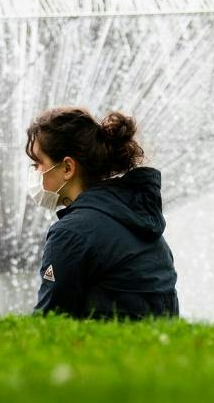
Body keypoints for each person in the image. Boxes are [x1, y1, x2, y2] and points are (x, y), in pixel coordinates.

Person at [26, 108, 178, 319]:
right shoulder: (138, 220)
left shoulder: (71, 233)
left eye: (38, 163)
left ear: (68, 167)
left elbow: (50, 320)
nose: (34, 174)